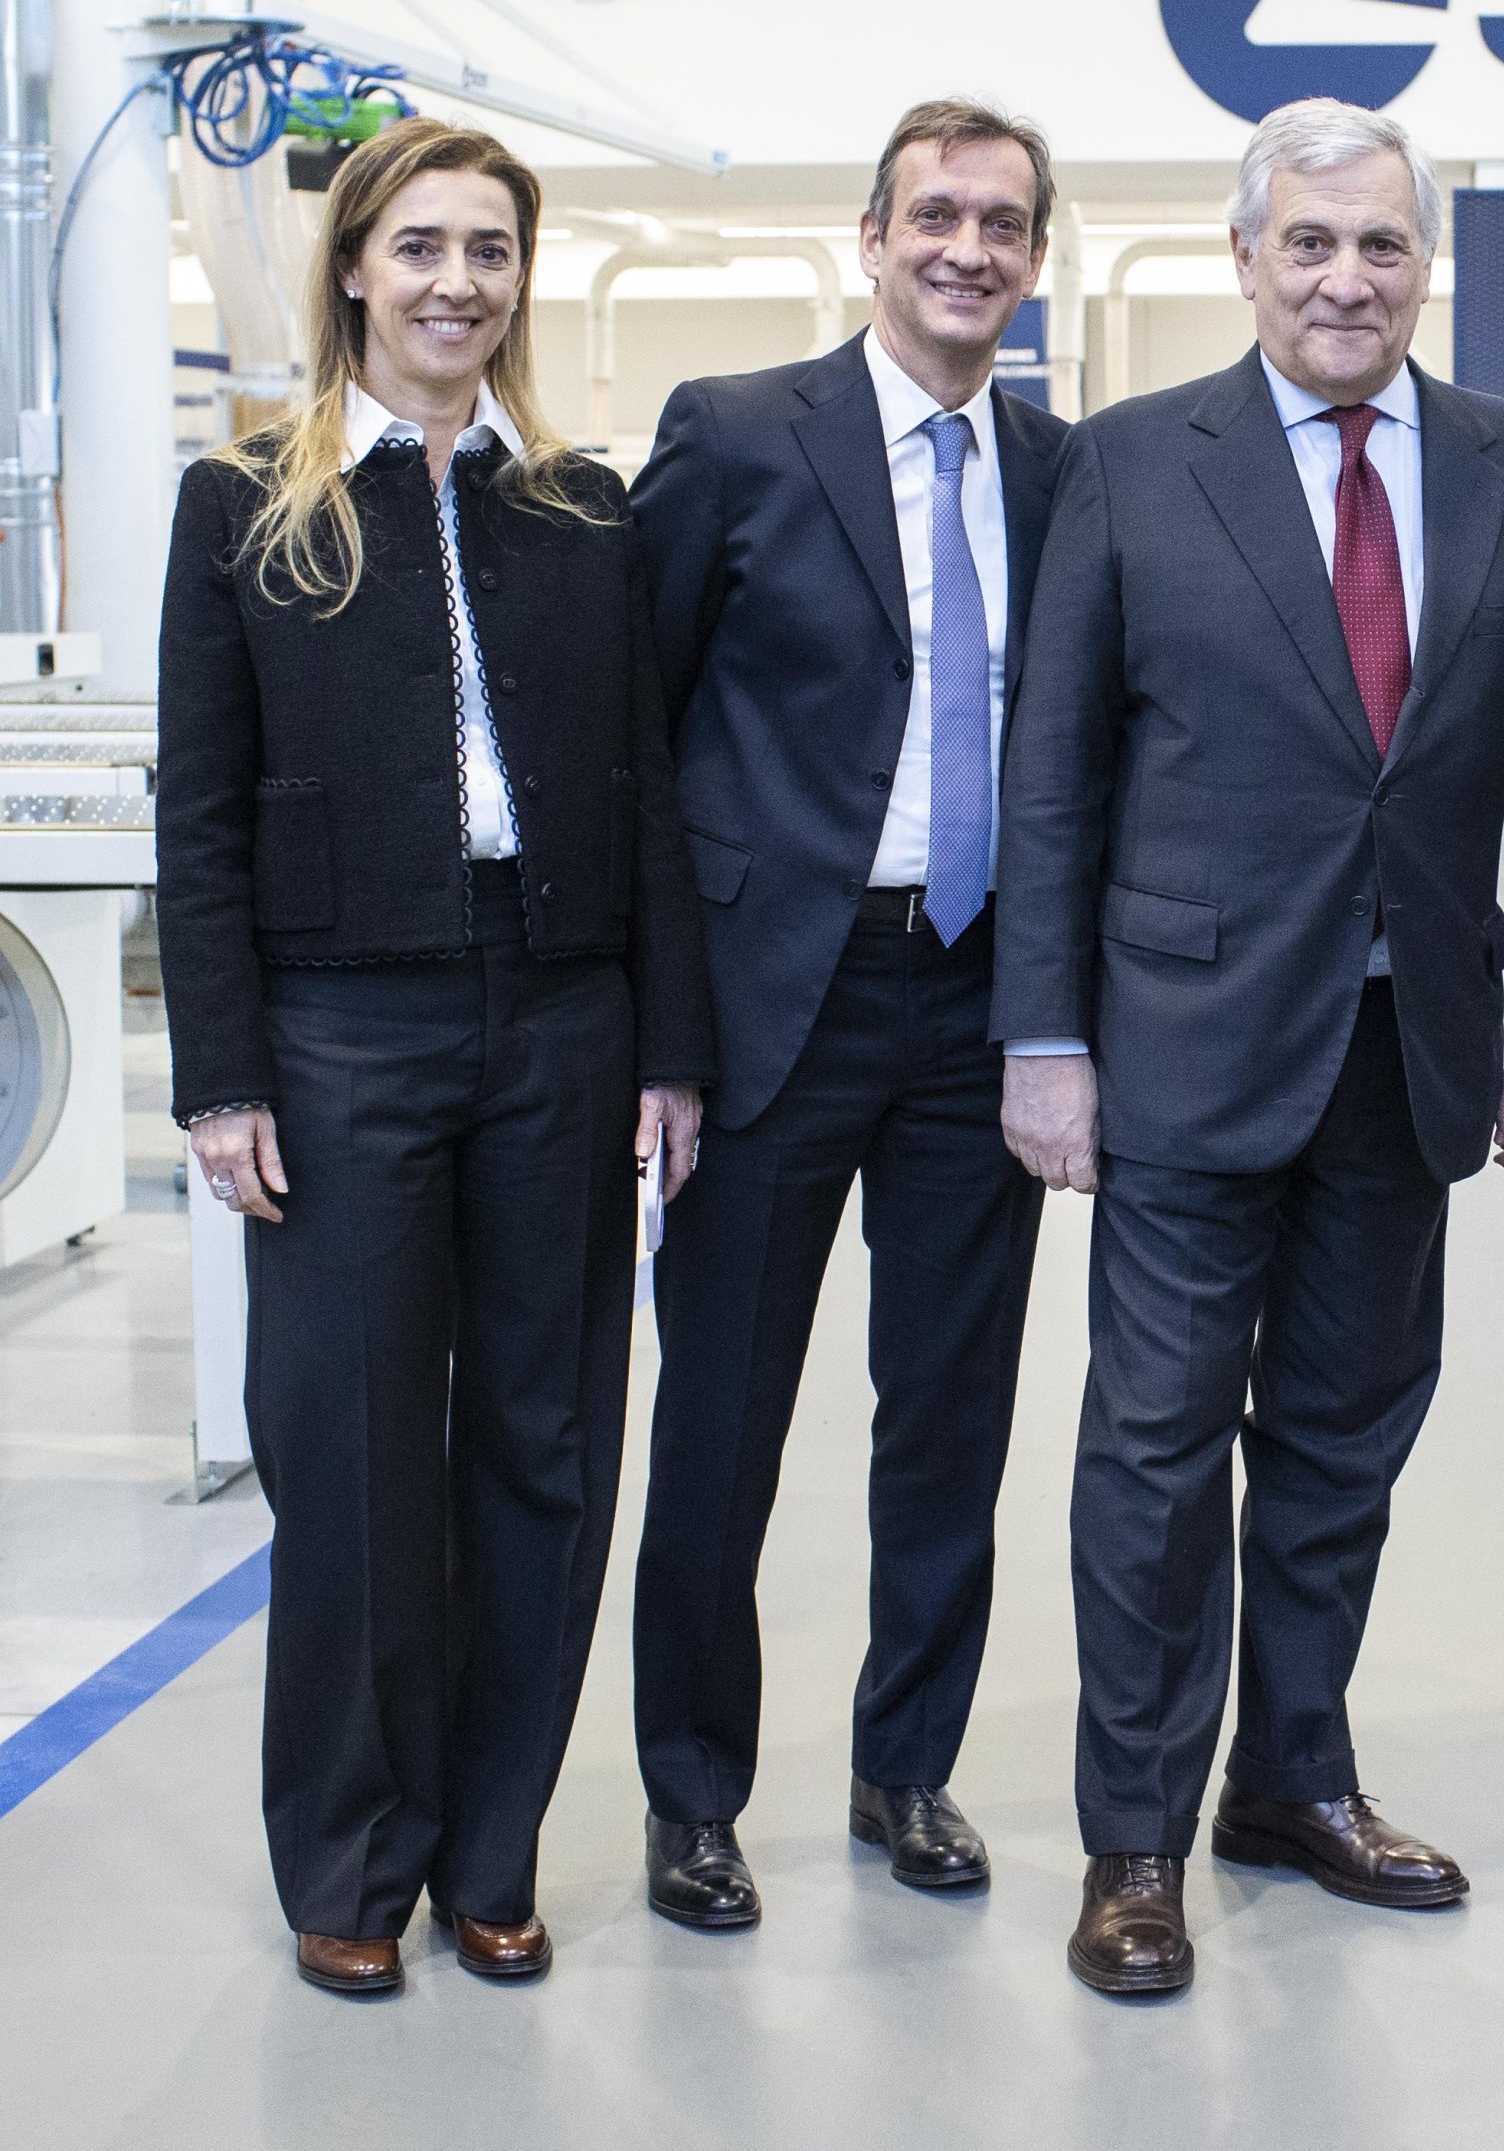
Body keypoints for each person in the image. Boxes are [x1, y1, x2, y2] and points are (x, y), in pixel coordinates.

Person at [995, 96, 1504, 1995]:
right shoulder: (1132, 460)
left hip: (1408, 1042)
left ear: (1427, 264)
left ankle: (1292, 1779)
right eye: (1311, 243)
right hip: (1183, 1038)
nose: (1348, 279)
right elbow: (1055, 774)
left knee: (1346, 1440)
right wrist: (1044, 1036)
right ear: (1246, 258)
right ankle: (1134, 1839)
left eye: (1382, 245)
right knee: (1156, 1451)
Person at [156, 116, 713, 1997]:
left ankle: (491, 1851)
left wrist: (669, 1048)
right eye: (420, 247)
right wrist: (223, 1071)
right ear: (354, 270)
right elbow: (199, 808)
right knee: (354, 1455)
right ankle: (351, 1857)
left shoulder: (581, 508)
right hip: (341, 1027)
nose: (456, 282)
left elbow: (645, 788)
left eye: (489, 250)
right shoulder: (248, 503)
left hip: (561, 1018)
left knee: (545, 1448)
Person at [625, 100, 1068, 1925]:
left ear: (1034, 257)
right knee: (723, 1420)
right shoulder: (737, 435)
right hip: (769, 1008)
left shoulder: (1060, 469)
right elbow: (636, 744)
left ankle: (909, 1768)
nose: (969, 248)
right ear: (870, 240)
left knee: (950, 1417)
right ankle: (692, 1794)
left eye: (1003, 222)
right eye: (935, 216)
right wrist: (661, 1038)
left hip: (979, 997)